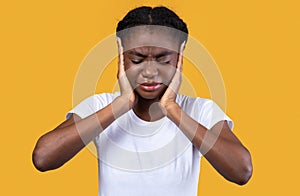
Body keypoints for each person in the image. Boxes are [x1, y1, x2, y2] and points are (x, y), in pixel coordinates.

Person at [32, 6, 252, 196]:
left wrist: (172, 109)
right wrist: (121, 105)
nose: (149, 71)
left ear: (179, 59)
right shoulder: (100, 106)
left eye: (163, 60)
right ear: (121, 58)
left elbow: (241, 171)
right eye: (136, 59)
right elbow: (43, 157)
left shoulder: (199, 110)